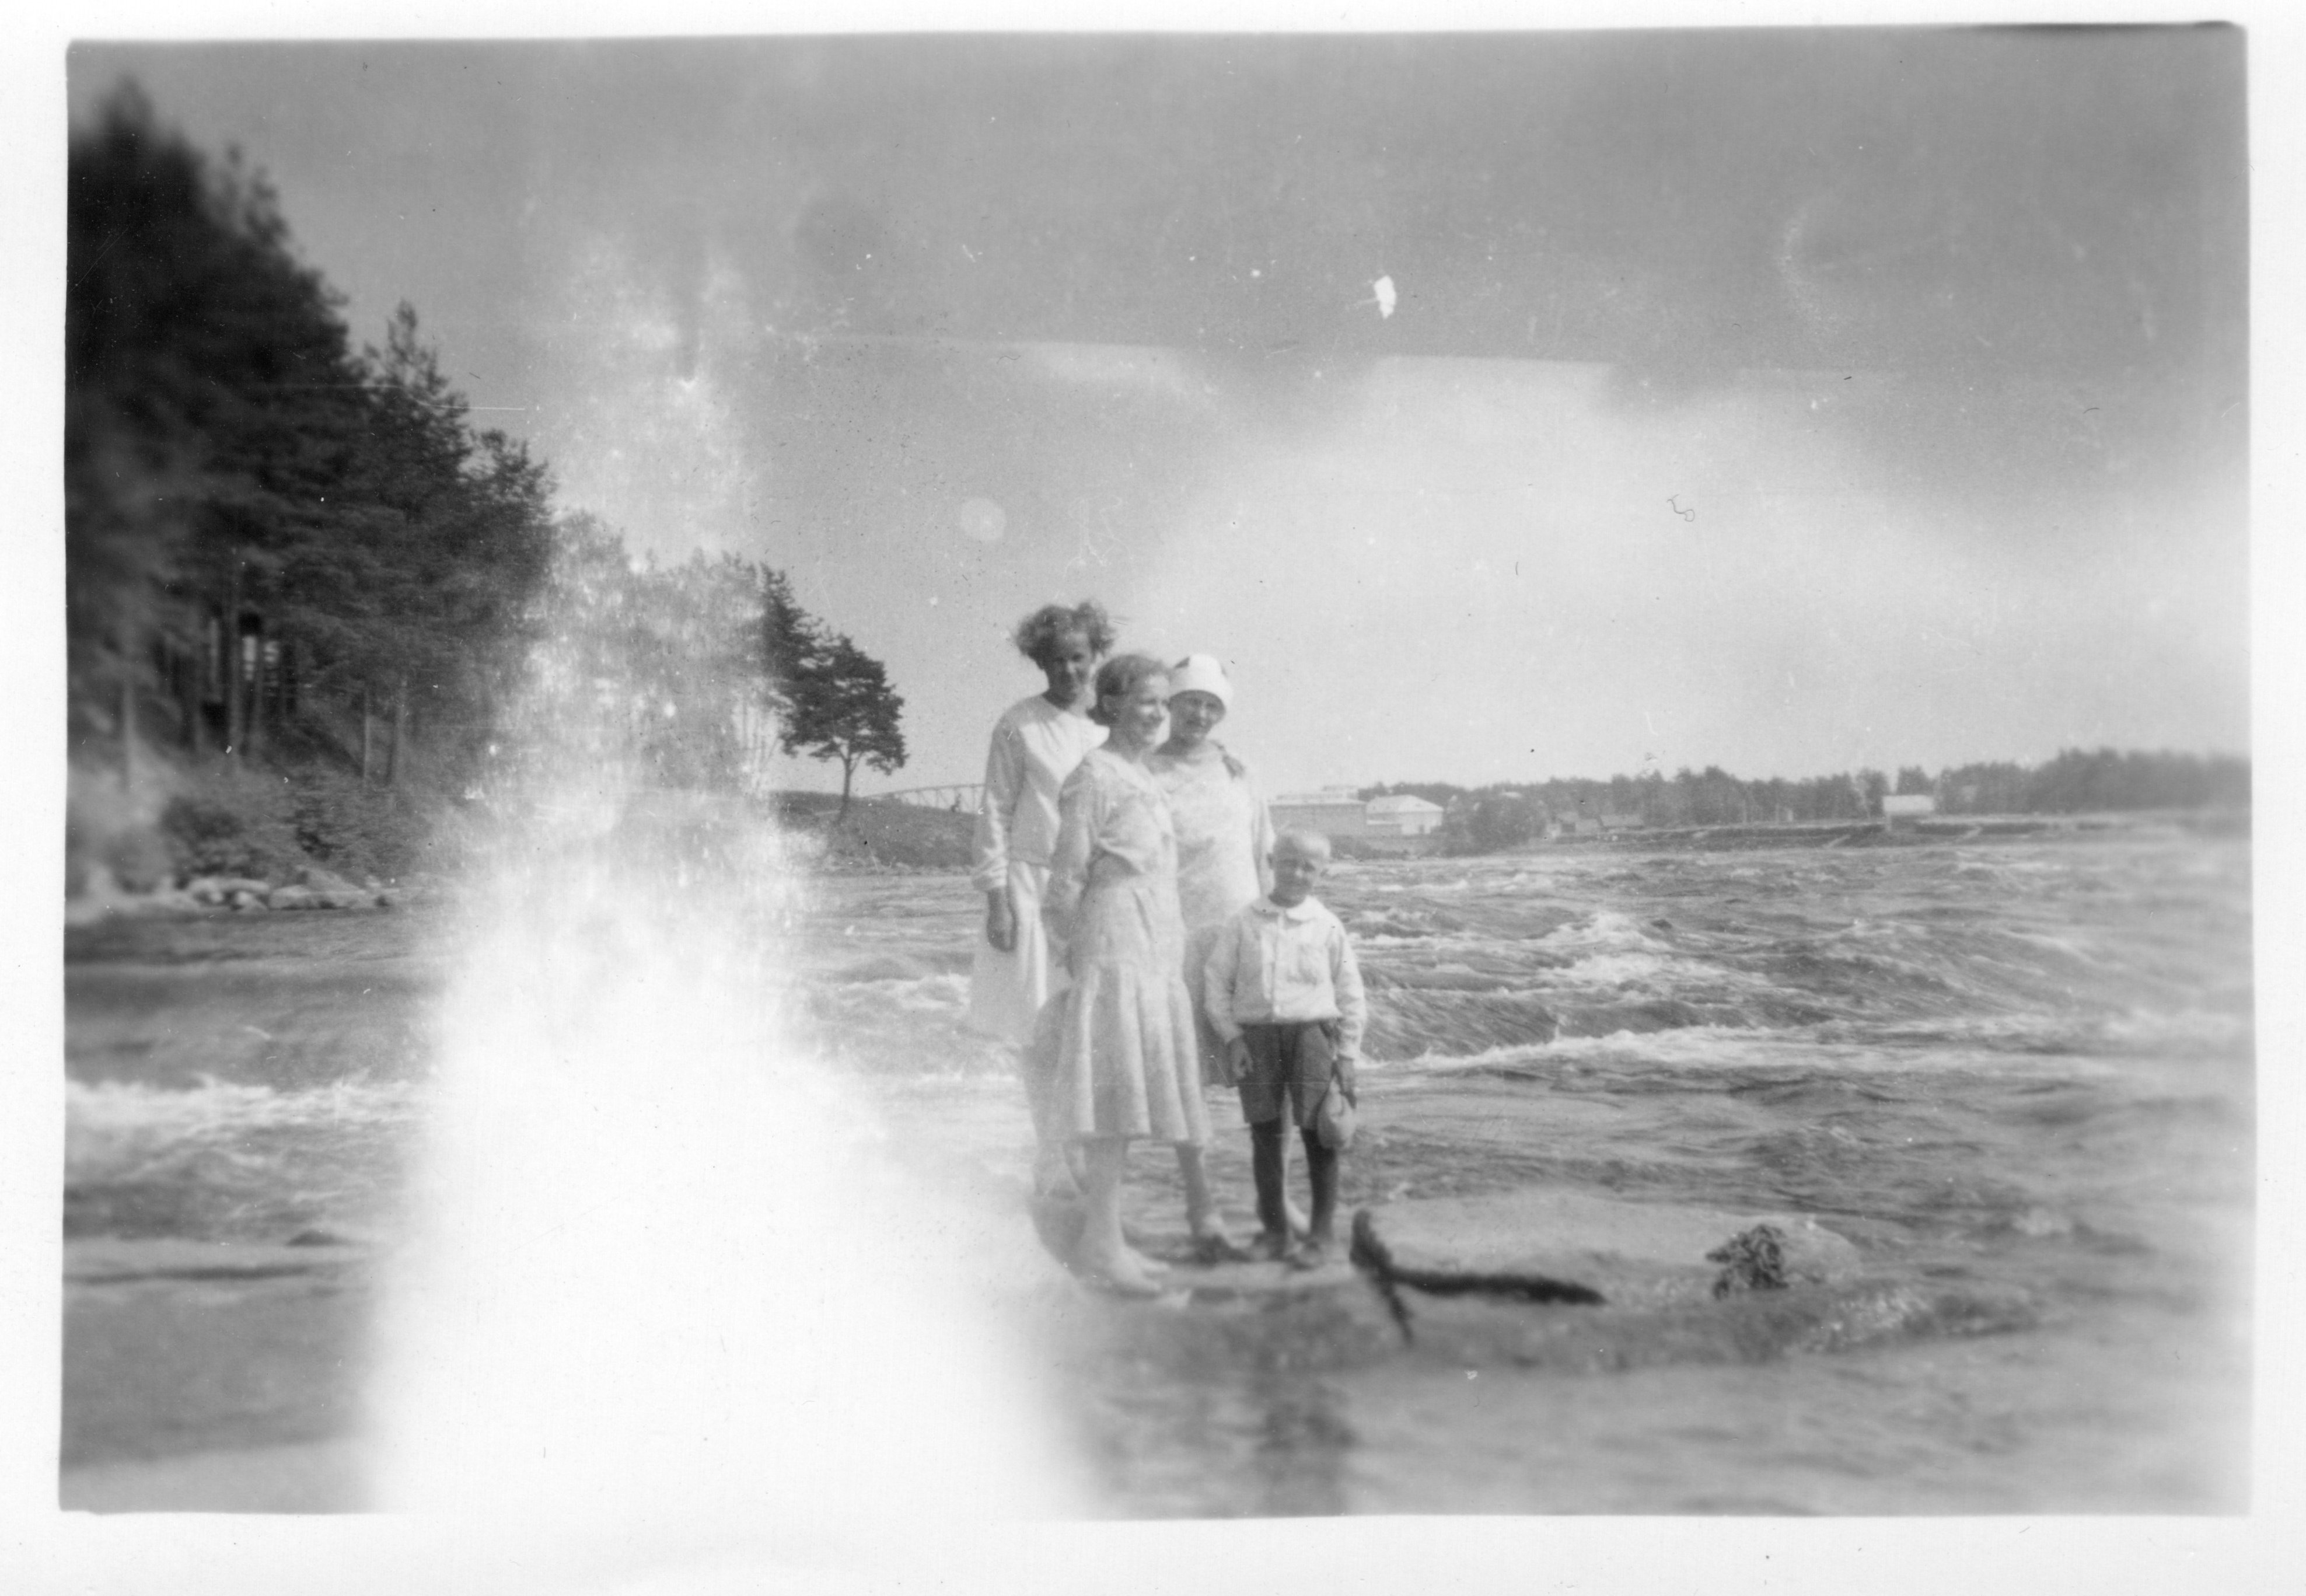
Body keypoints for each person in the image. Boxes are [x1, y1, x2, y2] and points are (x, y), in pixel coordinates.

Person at [1040, 654, 1213, 1295]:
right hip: (1113, 940)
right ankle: (1100, 1244)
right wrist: (1075, 949)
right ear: (1109, 703)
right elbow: (1064, 880)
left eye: (1164, 704)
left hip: (1153, 939)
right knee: (1113, 1096)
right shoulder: (1093, 775)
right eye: (1145, 701)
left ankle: (1107, 1239)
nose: (1159, 714)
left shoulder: (1142, 774)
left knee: (1131, 1091)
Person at [968, 600, 1114, 1193]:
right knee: (1040, 1026)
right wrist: (995, 898)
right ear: (1040, 661)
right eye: (1056, 660)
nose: (1069, 671)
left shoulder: (1112, 724)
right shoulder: (1017, 723)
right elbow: (995, 811)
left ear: (1094, 655)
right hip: (1031, 886)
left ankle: (1077, 1146)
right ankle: (1049, 1150)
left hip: (1097, 891)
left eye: (1078, 658)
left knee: (1090, 1025)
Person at [1147, 654, 1287, 1259]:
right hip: (1175, 936)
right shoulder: (1146, 770)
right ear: (1168, 705)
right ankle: (1202, 1207)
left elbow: (1265, 851)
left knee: (1266, 1074)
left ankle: (1275, 1202)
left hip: (1242, 935)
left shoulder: (1241, 770)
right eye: (1188, 702)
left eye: (1210, 705)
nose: (1198, 714)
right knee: (1189, 1078)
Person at [1201, 829, 1367, 1270]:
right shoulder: (1244, 921)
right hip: (1257, 1038)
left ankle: (1321, 1235)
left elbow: (1351, 992)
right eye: (1289, 861)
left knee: (1319, 1135)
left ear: (1322, 873)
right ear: (1272, 861)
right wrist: (1232, 1036)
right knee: (1266, 1136)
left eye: (1309, 866)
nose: (1297, 872)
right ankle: (1275, 1232)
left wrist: (1347, 1054)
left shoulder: (1327, 925)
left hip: (1313, 1037)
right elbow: (1216, 981)